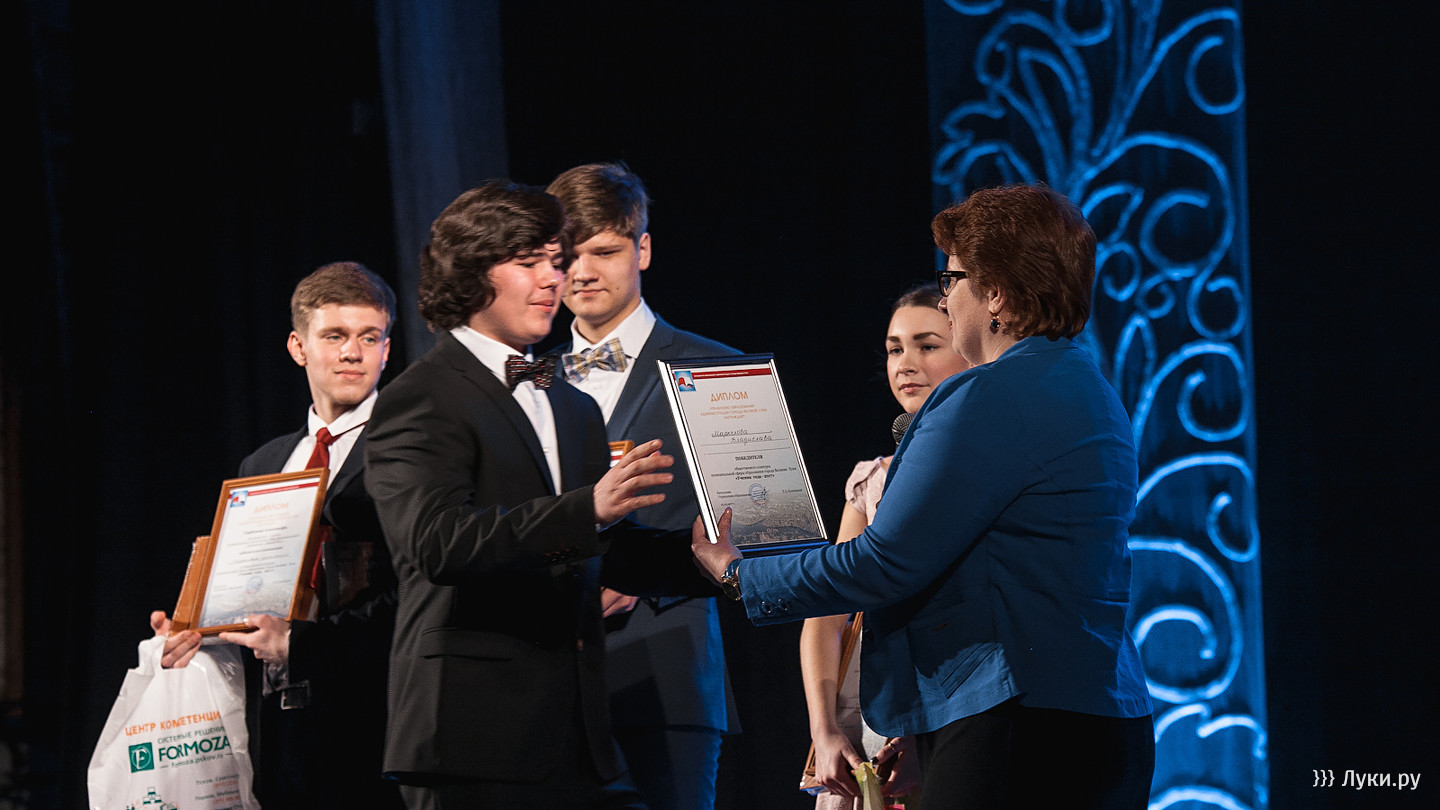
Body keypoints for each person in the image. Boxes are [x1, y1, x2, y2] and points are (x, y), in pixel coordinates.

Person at [693, 184, 1155, 809]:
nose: (945, 297)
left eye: (952, 279)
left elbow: (883, 563)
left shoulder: (987, 395)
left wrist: (741, 575)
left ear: (996, 294)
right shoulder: (1096, 392)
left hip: (1012, 723)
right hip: (1107, 718)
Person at [364, 180, 707, 809]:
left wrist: (703, 559)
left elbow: (594, 549)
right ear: (472, 274)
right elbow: (436, 542)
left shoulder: (570, 405)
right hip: (470, 736)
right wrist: (588, 508)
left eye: (555, 260)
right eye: (529, 263)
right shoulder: (421, 396)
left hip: (579, 736)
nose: (555, 278)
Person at [151, 261, 403, 809]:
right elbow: (247, 593)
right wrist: (197, 627)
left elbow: (417, 592)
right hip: (277, 732)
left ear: (387, 350)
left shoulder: (409, 449)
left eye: (369, 337)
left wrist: (304, 645)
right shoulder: (265, 462)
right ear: (298, 347)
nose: (352, 353)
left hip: (371, 725)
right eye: (334, 336)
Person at [548, 162, 738, 810]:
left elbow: (760, 520)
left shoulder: (714, 368)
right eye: (566, 256)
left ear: (644, 249)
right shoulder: (524, 382)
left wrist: (645, 571)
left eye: (603, 251)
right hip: (547, 680)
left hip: (666, 666)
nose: (581, 272)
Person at [799, 284, 970, 807]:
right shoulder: (872, 479)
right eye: (896, 349)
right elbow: (827, 612)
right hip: (869, 723)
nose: (906, 364)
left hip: (956, 721)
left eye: (928, 345)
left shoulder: (984, 469)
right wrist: (825, 729)